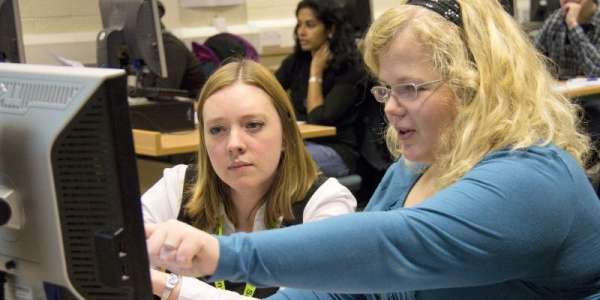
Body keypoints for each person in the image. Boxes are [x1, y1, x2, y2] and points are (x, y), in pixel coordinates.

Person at [145, 0, 600, 299]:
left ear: (477, 85)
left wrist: (225, 254)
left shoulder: (533, 177)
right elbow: (345, 285)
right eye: (386, 90)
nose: (392, 108)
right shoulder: (417, 167)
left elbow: (390, 247)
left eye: (410, 88)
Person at [141, 59, 356, 300]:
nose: (234, 144)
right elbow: (114, 256)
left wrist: (171, 286)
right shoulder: (178, 184)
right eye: (217, 129)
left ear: (286, 133)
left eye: (253, 125)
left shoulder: (326, 202)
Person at [275, 0, 365, 177]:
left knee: (277, 161)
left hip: (337, 150)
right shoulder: (296, 62)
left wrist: (315, 72)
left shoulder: (350, 68)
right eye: (299, 24)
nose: (301, 32)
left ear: (330, 29)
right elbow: (266, 92)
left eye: (310, 25)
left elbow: (318, 118)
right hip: (301, 143)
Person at [140, 0, 206, 98]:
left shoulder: (169, 47)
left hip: (189, 108)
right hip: (170, 108)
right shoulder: (146, 47)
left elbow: (164, 94)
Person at [534, 0, 600, 79]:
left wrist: (572, 25)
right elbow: (532, 60)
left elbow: (597, 71)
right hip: (559, 89)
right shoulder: (555, 19)